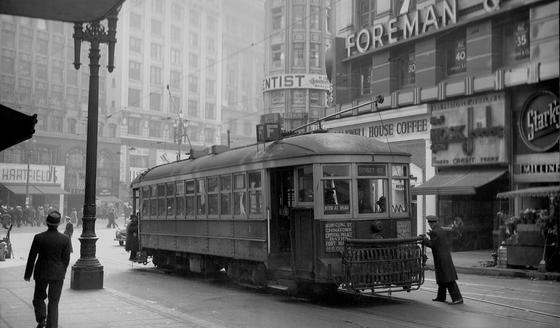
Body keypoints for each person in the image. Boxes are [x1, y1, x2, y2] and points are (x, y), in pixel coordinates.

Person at [24, 211, 71, 328]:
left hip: (41, 272)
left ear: (46, 222)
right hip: (58, 274)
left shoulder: (39, 237)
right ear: (59, 223)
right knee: (54, 302)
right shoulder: (65, 239)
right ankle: (52, 326)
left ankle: (41, 319)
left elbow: (32, 257)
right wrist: (62, 272)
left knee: (38, 298)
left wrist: (28, 274)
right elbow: (66, 260)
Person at [422, 215, 463, 305]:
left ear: (433, 223)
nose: (430, 224)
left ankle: (458, 298)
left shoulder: (435, 231)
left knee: (448, 279)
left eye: (430, 223)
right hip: (443, 257)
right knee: (442, 279)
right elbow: (437, 241)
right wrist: (430, 235)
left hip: (442, 258)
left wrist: (425, 239)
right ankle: (441, 297)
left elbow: (432, 244)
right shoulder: (439, 229)